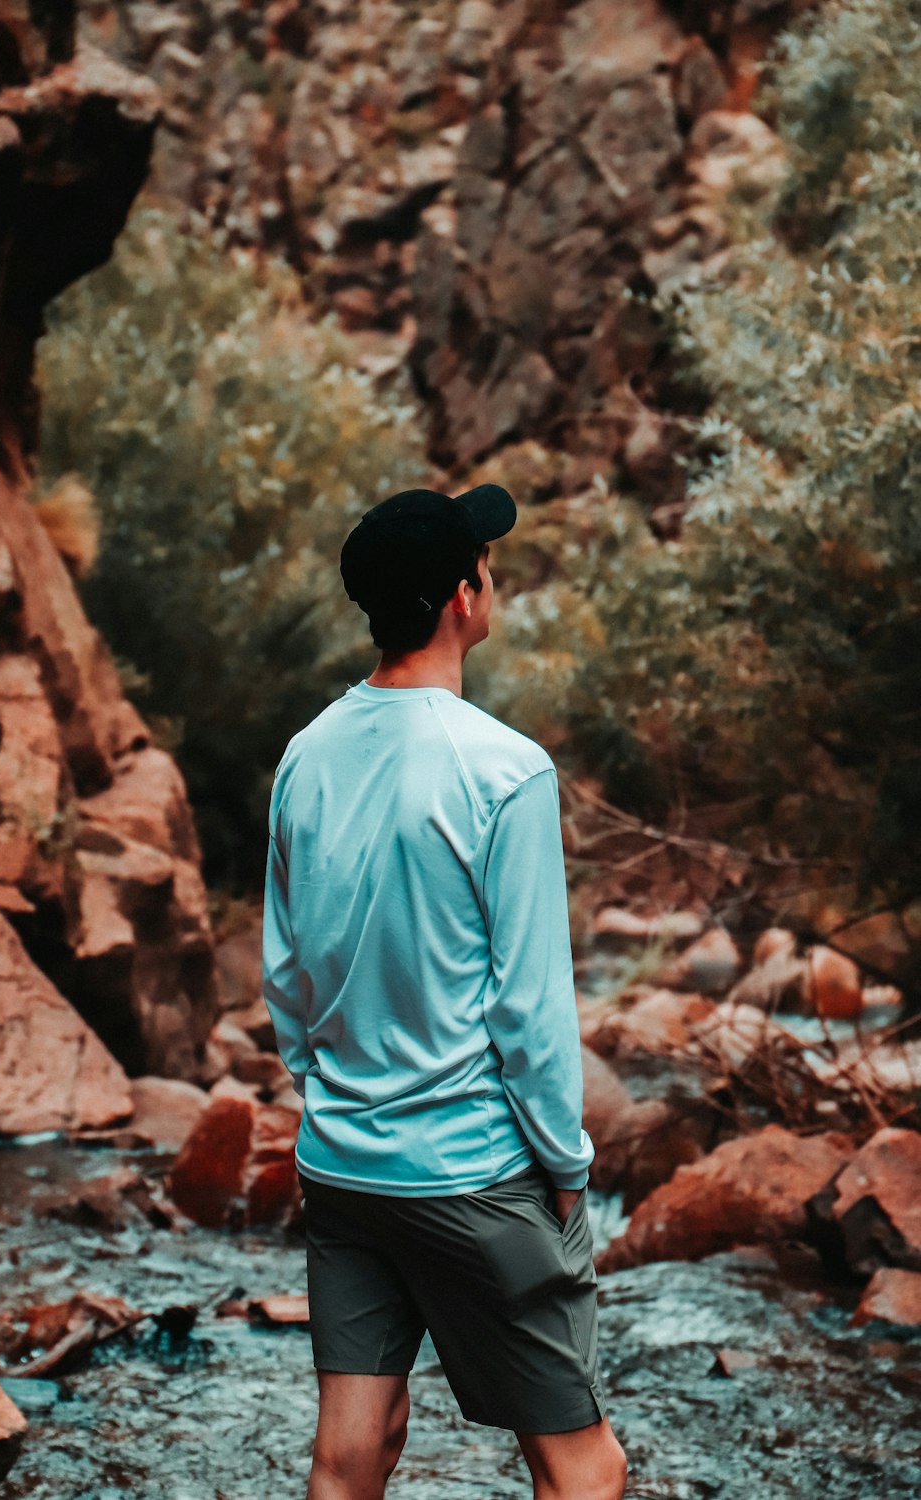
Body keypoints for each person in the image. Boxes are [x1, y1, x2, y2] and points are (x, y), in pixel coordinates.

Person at [262, 484, 627, 1500]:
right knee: (584, 1470)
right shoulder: (505, 770)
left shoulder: (304, 758)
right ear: (464, 598)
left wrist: (333, 1095)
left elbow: (287, 977)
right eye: (486, 564)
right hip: (473, 1172)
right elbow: (529, 1010)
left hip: (342, 1167)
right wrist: (563, 1167)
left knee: (351, 1455)